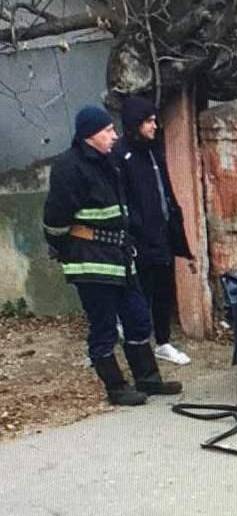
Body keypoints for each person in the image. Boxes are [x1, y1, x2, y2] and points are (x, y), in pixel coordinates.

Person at [42, 105, 182, 405]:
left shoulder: (110, 161)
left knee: (138, 316)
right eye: (107, 131)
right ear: (90, 135)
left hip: (119, 257)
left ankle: (148, 379)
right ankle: (116, 388)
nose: (114, 136)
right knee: (104, 326)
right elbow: (55, 220)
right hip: (90, 260)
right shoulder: (69, 167)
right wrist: (65, 249)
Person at [115, 96, 194, 366]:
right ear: (135, 123)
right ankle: (138, 342)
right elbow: (122, 198)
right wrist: (133, 229)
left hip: (163, 234)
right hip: (139, 238)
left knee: (163, 290)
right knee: (141, 292)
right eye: (148, 121)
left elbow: (164, 189)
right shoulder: (122, 154)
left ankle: (163, 342)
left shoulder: (154, 149)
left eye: (154, 120)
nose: (154, 126)